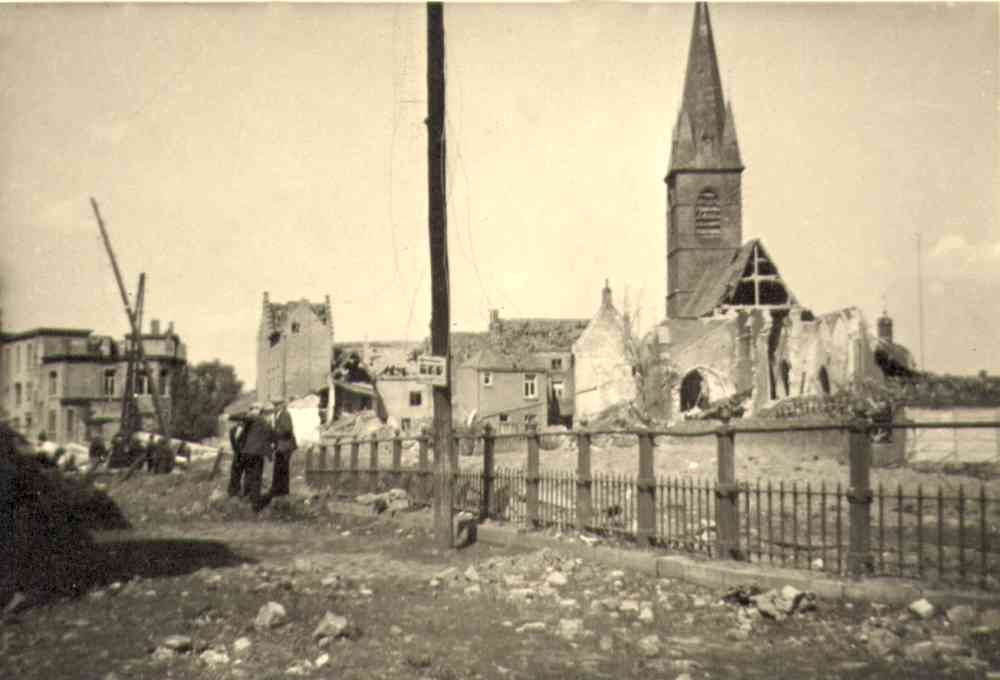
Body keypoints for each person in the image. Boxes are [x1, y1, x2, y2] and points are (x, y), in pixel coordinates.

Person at [239, 403, 276, 511]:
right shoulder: (264, 422)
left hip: (246, 452)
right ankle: (255, 505)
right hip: (257, 454)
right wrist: (271, 451)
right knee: (256, 478)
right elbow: (273, 437)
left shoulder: (251, 421)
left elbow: (241, 436)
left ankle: (247, 497)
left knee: (248, 475)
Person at [269, 398, 297, 498]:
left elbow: (287, 430)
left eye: (277, 405)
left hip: (285, 445)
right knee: (279, 467)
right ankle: (278, 490)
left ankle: (283, 491)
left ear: (281, 405)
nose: (275, 407)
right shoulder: (279, 415)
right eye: (274, 405)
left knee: (283, 468)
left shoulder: (284, 414)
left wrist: (275, 433)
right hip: (281, 445)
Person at [227, 415, 249, 497]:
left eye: (242, 421)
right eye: (239, 421)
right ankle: (233, 492)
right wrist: (236, 451)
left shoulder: (248, 431)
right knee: (235, 473)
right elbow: (233, 443)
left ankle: (246, 492)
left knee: (247, 474)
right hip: (237, 455)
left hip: (245, 454)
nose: (240, 422)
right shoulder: (232, 430)